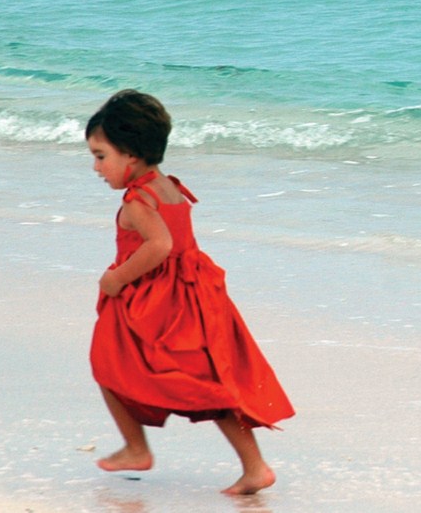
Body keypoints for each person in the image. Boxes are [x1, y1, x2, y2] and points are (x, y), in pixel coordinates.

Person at [86, 89, 294, 494]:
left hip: (154, 304)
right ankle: (254, 467)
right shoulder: (167, 186)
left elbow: (160, 246)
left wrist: (116, 279)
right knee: (207, 384)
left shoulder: (137, 202)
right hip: (193, 296)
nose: (95, 167)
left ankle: (135, 447)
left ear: (130, 154)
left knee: (107, 364)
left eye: (100, 156)